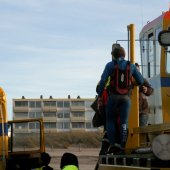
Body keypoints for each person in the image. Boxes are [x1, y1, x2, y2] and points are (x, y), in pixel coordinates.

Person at [97, 45, 144, 153]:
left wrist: (100, 96)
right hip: (126, 98)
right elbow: (141, 81)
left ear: (113, 56)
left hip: (113, 97)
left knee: (110, 121)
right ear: (124, 55)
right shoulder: (131, 66)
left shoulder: (110, 65)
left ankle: (113, 145)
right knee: (124, 122)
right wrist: (132, 84)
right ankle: (122, 146)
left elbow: (103, 81)